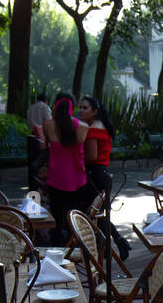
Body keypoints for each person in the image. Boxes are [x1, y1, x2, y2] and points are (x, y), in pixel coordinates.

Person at [77, 95, 132, 260]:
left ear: (94, 111)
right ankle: (114, 243)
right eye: (80, 107)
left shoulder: (94, 128)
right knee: (99, 214)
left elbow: (92, 156)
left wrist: (77, 158)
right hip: (102, 174)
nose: (81, 110)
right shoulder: (101, 126)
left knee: (93, 214)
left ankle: (107, 245)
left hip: (96, 174)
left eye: (85, 107)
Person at [43, 91, 88, 247]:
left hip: (56, 179)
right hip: (77, 179)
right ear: (73, 107)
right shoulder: (83, 127)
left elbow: (45, 145)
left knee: (56, 216)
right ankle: (73, 249)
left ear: (55, 105)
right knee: (74, 219)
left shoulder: (48, 125)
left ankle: (57, 248)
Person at [26, 92, 51, 191]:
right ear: (45, 101)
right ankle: (40, 184)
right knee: (40, 162)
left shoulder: (30, 107)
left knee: (32, 162)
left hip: (32, 136)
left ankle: (32, 186)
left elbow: (28, 123)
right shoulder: (45, 107)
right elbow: (49, 122)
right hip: (42, 137)